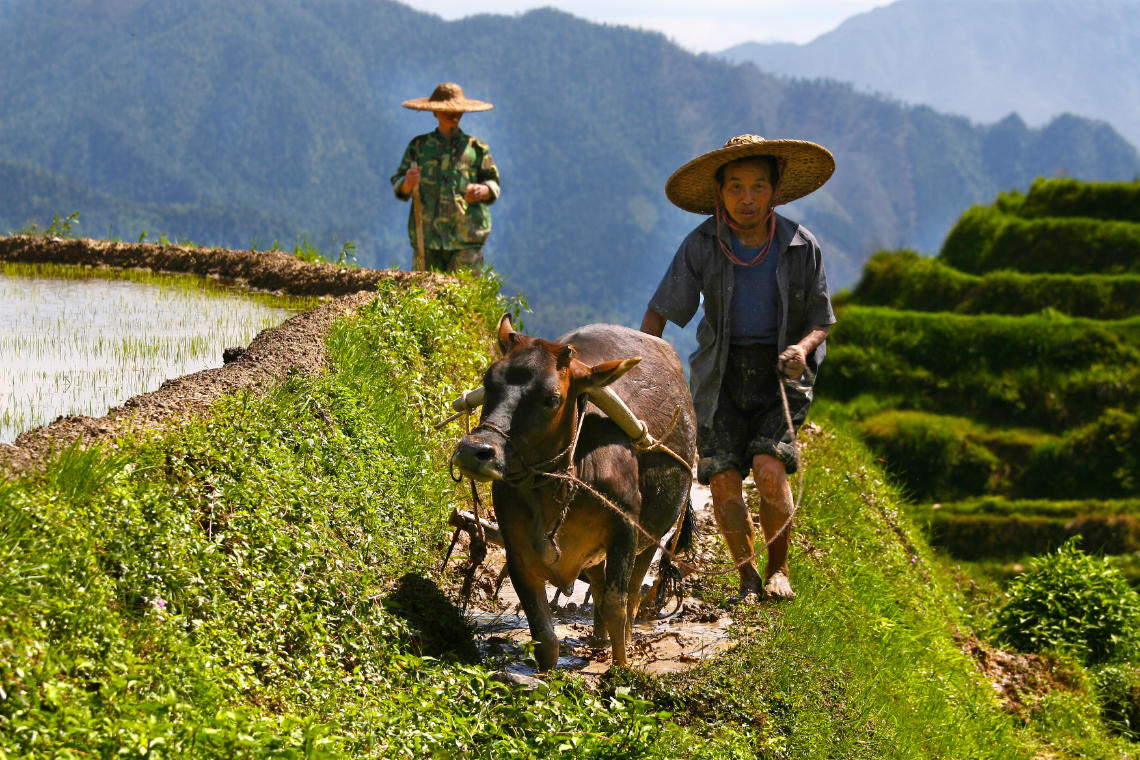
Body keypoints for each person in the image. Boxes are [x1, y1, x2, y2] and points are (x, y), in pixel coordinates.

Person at [640, 134, 837, 602]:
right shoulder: (703, 244)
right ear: (719, 192)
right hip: (719, 375)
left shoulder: (798, 245)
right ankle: (746, 576)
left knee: (770, 469)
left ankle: (779, 570)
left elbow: (821, 320)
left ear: (774, 190)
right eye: (735, 188)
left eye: (758, 187)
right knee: (724, 480)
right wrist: (643, 370)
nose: (746, 199)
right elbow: (659, 313)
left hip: (781, 374)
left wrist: (802, 348)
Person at [391, 82, 500, 272]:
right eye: (446, 110)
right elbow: (400, 186)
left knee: (465, 296)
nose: (453, 115)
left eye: (458, 111)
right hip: (427, 238)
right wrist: (408, 183)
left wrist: (483, 191)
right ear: (434, 112)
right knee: (425, 296)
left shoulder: (476, 149)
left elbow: (493, 183)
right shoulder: (419, 147)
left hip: (466, 237)